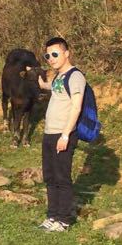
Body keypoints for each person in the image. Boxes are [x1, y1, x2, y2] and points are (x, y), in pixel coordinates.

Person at [36, 36, 85, 232]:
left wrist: (65, 135)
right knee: (49, 177)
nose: (51, 58)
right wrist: (42, 84)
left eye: (55, 54)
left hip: (63, 135)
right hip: (49, 134)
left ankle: (63, 220)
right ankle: (52, 216)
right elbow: (54, 89)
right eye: (48, 55)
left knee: (62, 177)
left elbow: (76, 106)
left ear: (66, 53)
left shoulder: (75, 77)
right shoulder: (58, 77)